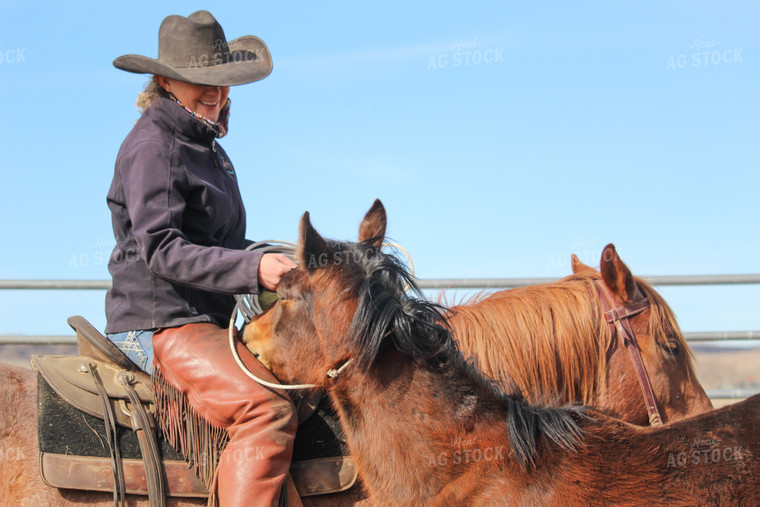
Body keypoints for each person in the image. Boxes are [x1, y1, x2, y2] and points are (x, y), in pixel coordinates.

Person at [105, 10, 299, 506]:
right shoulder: (154, 147)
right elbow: (162, 248)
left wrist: (280, 258)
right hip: (160, 321)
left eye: (223, 82)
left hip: (202, 316)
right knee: (267, 412)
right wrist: (254, 270)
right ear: (166, 80)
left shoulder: (205, 144)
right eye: (200, 81)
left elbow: (219, 241)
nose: (215, 92)